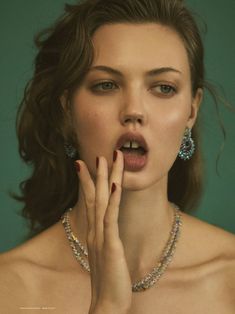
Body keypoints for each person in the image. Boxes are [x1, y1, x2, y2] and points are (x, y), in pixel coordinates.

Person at [0, 0, 235, 313]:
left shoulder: (229, 276)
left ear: (192, 110)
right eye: (106, 85)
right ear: (67, 109)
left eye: (163, 88)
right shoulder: (9, 288)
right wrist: (107, 306)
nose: (134, 110)